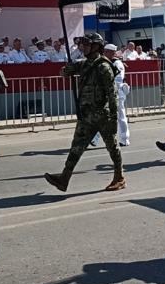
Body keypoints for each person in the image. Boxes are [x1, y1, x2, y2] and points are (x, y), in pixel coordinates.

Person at [44, 33, 126, 192]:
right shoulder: (83, 64)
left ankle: (119, 177)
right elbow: (63, 73)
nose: (84, 47)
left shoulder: (104, 66)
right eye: (84, 45)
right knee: (76, 147)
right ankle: (64, 178)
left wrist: (114, 118)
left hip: (102, 115)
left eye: (88, 45)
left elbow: (112, 94)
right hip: (86, 116)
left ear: (96, 47)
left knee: (112, 147)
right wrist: (67, 68)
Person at [105, 44, 130, 147]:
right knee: (102, 115)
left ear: (112, 52)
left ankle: (124, 138)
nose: (104, 53)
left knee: (121, 116)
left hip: (117, 93)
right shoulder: (108, 62)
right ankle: (95, 138)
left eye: (106, 51)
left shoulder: (117, 63)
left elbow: (118, 79)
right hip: (108, 92)